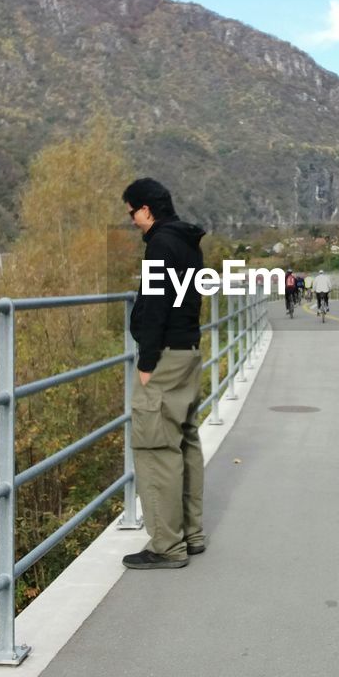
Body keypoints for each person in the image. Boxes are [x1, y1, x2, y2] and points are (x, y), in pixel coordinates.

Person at [121, 177, 207, 569]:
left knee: (155, 446)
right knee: (185, 441)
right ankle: (191, 534)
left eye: (132, 212)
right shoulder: (189, 243)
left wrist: (146, 361)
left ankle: (166, 546)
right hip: (189, 350)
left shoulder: (160, 245)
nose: (132, 220)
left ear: (147, 210)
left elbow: (155, 304)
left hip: (166, 357)